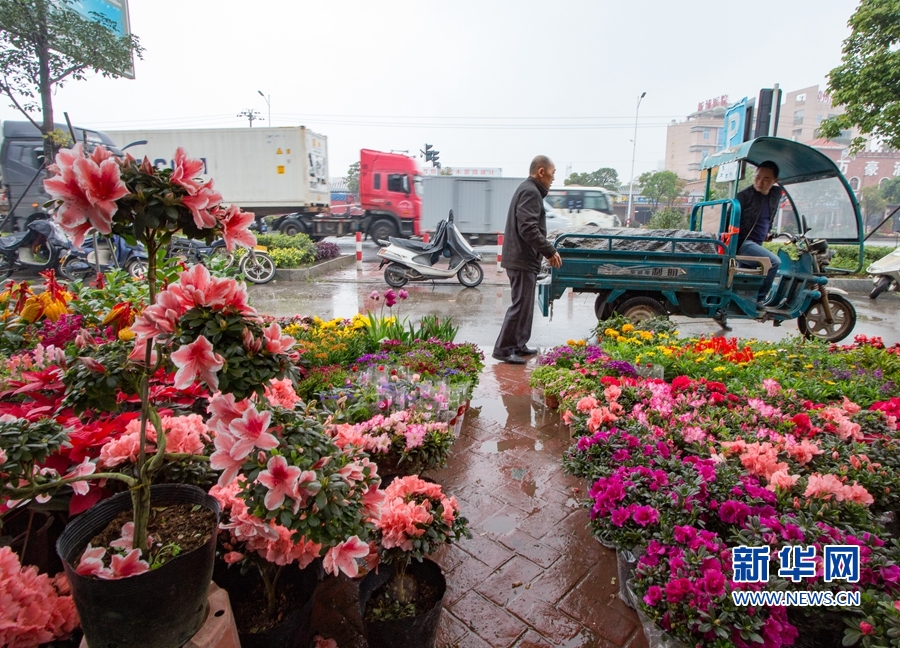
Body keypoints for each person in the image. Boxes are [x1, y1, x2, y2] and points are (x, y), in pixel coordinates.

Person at [492, 156, 563, 364]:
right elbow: (528, 228)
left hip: (523, 258)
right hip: (521, 257)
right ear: (541, 171)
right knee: (520, 304)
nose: (553, 177)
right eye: (553, 172)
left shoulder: (529, 190)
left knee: (525, 305)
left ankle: (518, 344)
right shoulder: (531, 192)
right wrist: (549, 251)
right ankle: (504, 349)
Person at [736, 161, 783, 306]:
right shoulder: (744, 196)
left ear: (775, 181)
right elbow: (729, 221)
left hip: (756, 243)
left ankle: (729, 310)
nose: (760, 182)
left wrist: (767, 232)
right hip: (742, 243)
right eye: (757, 177)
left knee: (743, 287)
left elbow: (768, 217)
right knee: (773, 263)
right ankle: (759, 300)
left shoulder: (774, 196)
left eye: (766, 179)